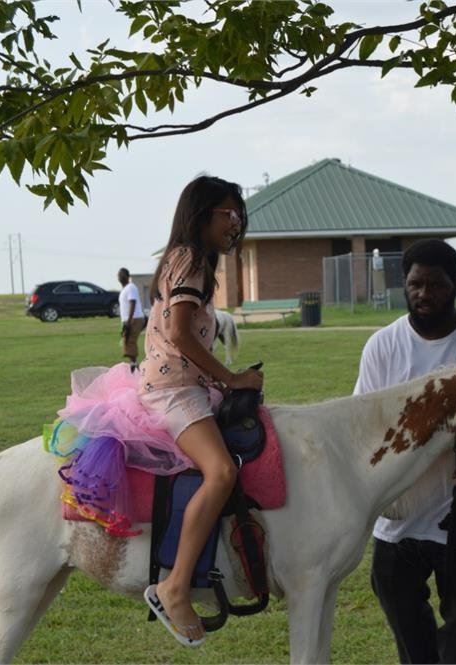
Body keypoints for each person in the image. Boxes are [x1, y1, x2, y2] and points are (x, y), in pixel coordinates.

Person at [354, 238, 456, 664]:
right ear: (404, 285)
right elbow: (366, 427)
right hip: (399, 520)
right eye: (415, 284)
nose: (424, 294)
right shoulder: (383, 346)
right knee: (408, 630)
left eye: (435, 285)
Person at [139, 175, 264, 647]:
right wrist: (231, 379)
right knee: (220, 474)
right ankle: (174, 587)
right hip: (175, 390)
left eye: (237, 214)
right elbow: (180, 336)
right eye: (227, 213)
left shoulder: (185, 260)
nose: (235, 222)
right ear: (202, 213)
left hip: (183, 385)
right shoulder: (190, 259)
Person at [117, 267, 147, 372]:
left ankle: (134, 365)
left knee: (130, 341)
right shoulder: (125, 289)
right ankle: (133, 362)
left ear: (128, 277)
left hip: (134, 318)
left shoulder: (131, 287)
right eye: (119, 275)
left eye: (122, 275)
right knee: (127, 341)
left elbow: (132, 302)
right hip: (129, 319)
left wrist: (129, 321)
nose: (120, 277)